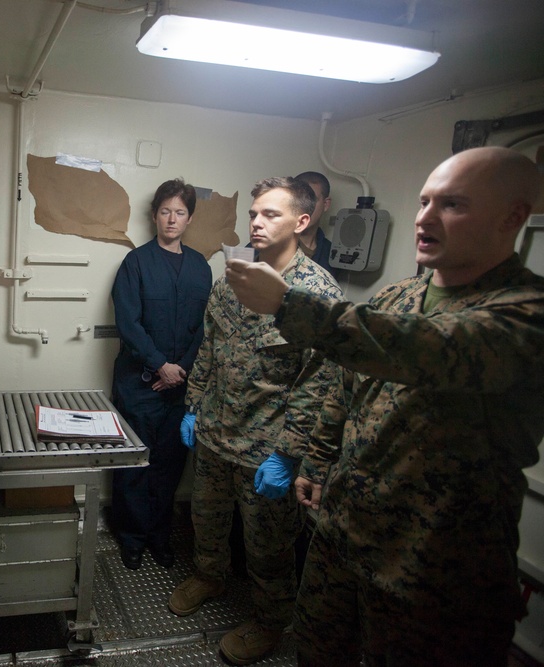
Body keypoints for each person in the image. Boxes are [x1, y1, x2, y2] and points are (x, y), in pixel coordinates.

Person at [225, 146, 544, 666]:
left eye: (453, 205)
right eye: (423, 202)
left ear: (513, 217)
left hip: (433, 563)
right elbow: (342, 386)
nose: (425, 218)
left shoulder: (526, 313)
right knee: (318, 650)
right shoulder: (397, 297)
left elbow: (427, 348)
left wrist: (287, 305)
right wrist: (319, 459)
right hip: (344, 533)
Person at [171, 177, 343, 664]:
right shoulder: (236, 280)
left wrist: (290, 453)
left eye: (270, 214)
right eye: (253, 214)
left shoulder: (315, 294)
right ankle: (209, 575)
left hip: (266, 448)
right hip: (216, 432)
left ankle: (271, 621)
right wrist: (193, 404)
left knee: (268, 546)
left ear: (302, 222)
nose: (256, 222)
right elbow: (211, 345)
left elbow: (320, 382)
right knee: (206, 519)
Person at [110, 178, 212, 570]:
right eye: (165, 211)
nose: (172, 219)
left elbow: (206, 326)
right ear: (154, 215)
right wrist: (160, 365)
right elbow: (128, 323)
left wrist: (180, 369)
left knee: (169, 467)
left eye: (180, 212)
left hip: (179, 388)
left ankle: (159, 537)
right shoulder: (136, 263)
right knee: (135, 464)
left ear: (189, 219)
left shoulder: (201, 267)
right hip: (139, 386)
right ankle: (132, 538)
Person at [294, 171, 335, 276]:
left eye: (312, 200)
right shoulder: (265, 242)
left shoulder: (332, 253)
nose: (304, 207)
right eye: (298, 199)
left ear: (325, 204)